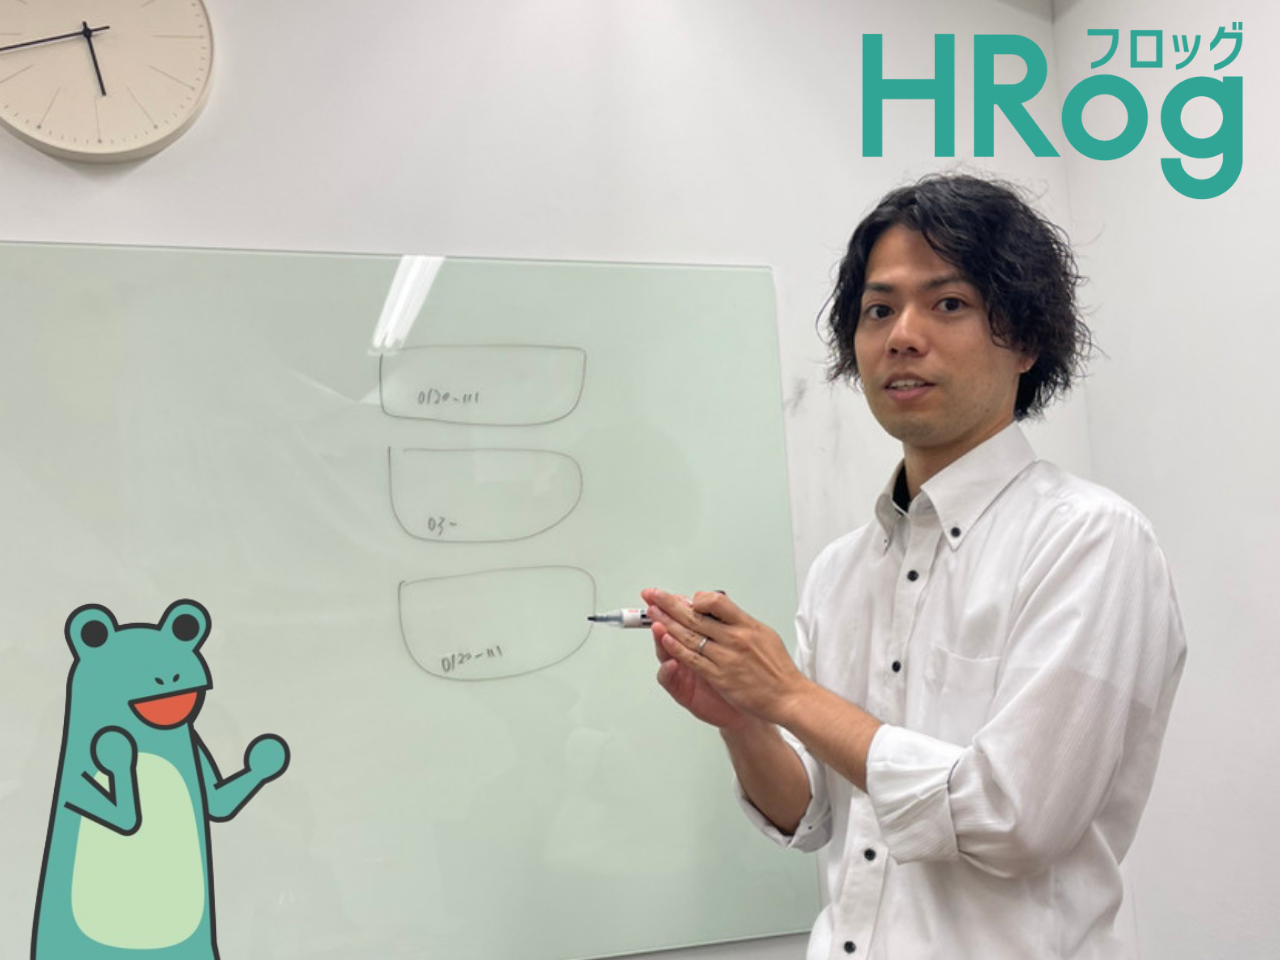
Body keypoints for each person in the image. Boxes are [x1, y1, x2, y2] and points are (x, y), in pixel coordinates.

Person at [642, 174, 1186, 960]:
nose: (902, 335)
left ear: (1025, 340)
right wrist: (747, 720)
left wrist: (788, 692)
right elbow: (814, 817)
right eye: (878, 310)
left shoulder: (1091, 541)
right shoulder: (841, 570)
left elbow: (1015, 819)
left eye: (948, 303)